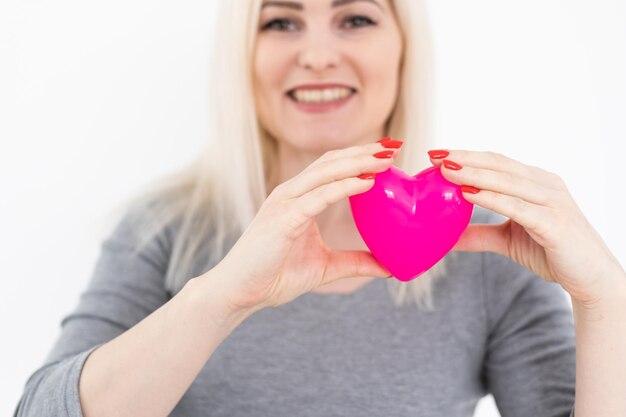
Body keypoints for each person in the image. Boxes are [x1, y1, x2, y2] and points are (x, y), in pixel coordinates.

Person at [14, 0, 625, 416]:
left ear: (403, 49)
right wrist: (225, 295)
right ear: (243, 54)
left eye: (354, 18)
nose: (316, 55)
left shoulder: (491, 243)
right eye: (281, 22)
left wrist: (606, 301)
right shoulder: (163, 230)